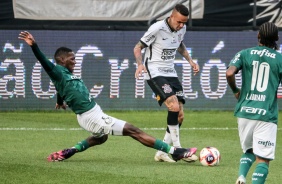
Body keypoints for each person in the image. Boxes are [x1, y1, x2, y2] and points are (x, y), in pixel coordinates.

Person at [18, 31, 197, 162]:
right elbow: (42, 61)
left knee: (101, 138)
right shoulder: (56, 71)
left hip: (92, 114)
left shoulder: (64, 75)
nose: (75, 60)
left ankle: (70, 151)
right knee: (133, 131)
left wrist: (59, 101)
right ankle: (175, 151)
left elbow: (61, 88)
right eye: (71, 58)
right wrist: (34, 45)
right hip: (91, 116)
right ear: (62, 60)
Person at [133, 4, 199, 163]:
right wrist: (140, 64)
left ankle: (162, 153)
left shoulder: (181, 29)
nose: (181, 25)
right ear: (171, 16)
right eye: (179, 22)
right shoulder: (157, 28)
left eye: (184, 23)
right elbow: (138, 47)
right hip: (154, 72)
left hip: (170, 72)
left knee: (180, 115)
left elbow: (180, 45)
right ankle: (178, 150)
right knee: (173, 106)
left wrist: (190, 61)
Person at [226, 22, 281, 184]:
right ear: (277, 38)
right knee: (263, 159)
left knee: (249, 150)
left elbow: (229, 73)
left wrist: (236, 91)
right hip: (266, 114)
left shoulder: (245, 53)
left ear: (258, 36)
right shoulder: (279, 59)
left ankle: (241, 177)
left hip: (244, 111)